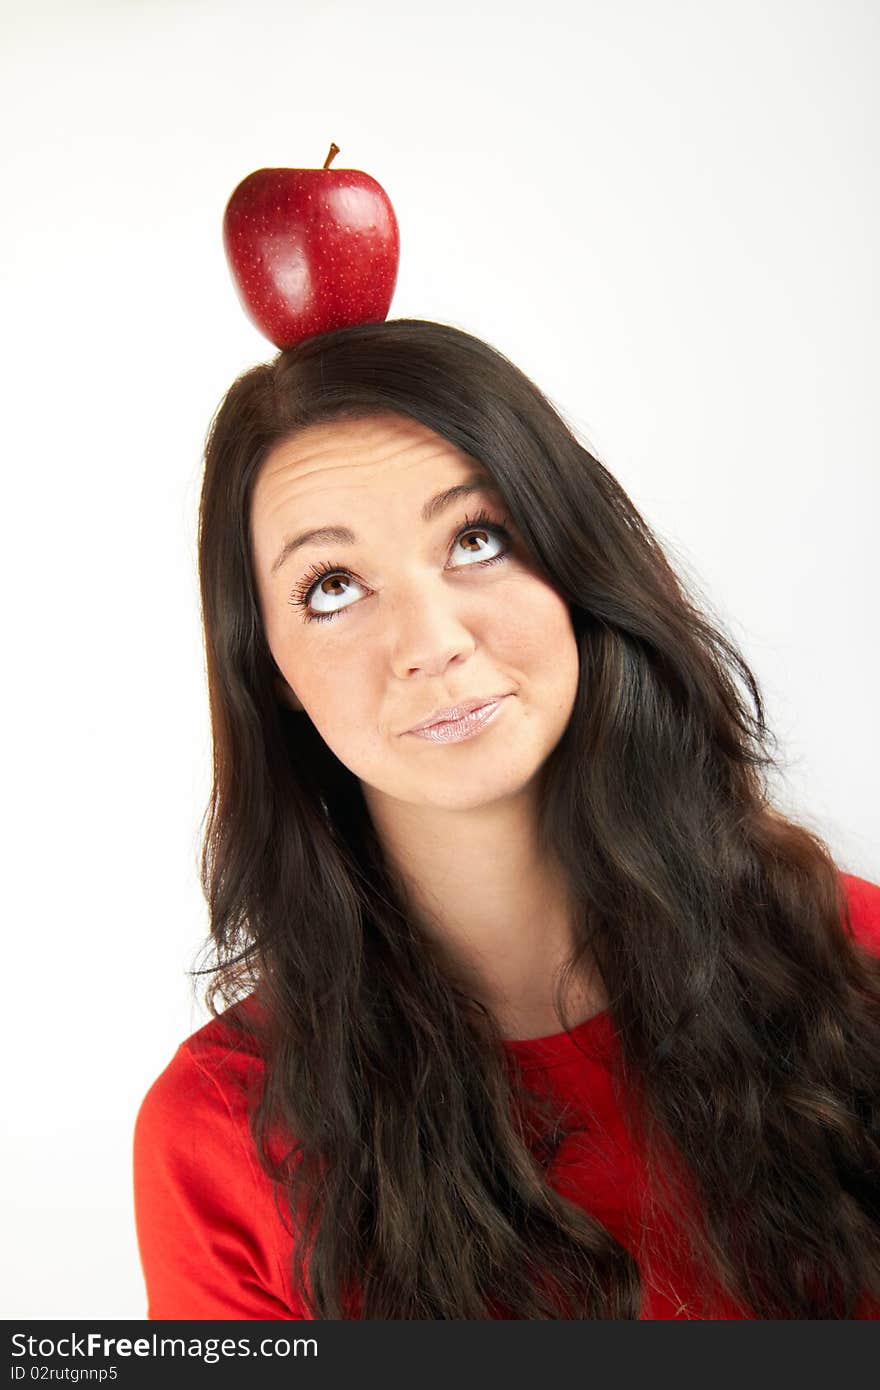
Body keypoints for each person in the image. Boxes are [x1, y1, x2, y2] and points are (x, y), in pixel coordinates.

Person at [133, 318, 880, 1320]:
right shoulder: (222, 1134)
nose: (430, 642)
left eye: (476, 539)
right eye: (333, 586)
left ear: (576, 565)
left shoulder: (853, 962)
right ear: (270, 672)